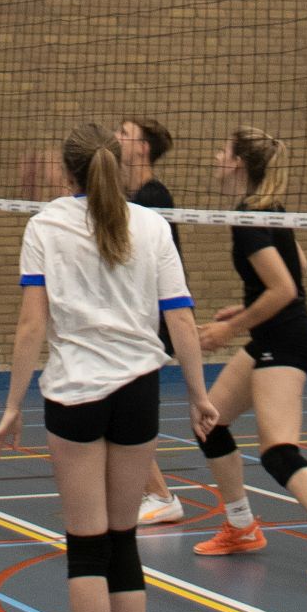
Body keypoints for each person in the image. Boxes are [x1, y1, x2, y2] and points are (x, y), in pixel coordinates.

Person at [0, 122, 219, 612]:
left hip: (76, 396)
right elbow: (181, 318)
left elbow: (32, 326)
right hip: (140, 393)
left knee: (87, 547)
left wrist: (11, 407)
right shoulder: (153, 225)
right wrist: (198, 395)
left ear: (69, 172)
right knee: (123, 541)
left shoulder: (46, 225)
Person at [185, 126, 307, 590]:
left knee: (278, 451)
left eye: (222, 151)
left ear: (238, 163)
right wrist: (249, 304)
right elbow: (298, 267)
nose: (215, 157)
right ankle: (241, 526)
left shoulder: (249, 218)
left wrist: (232, 326)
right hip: (273, 334)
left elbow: (286, 288)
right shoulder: (267, 209)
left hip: (286, 340)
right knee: (209, 423)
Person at [123, 117, 193, 528]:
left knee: (124, 409)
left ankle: (162, 496)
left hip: (152, 317)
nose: (117, 138)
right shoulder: (131, 195)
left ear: (143, 147)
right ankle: (150, 491)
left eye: (124, 133)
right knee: (119, 408)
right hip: (137, 315)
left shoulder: (153, 196)